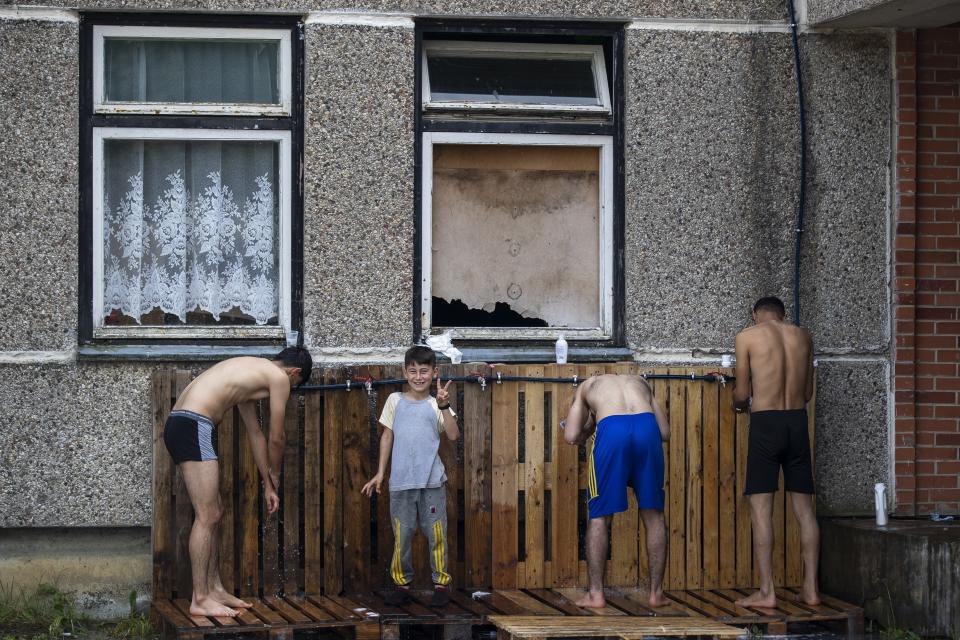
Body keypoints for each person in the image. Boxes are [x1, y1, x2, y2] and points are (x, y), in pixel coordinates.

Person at [162, 347, 313, 617]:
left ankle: (214, 588)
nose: (285, 390)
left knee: (213, 513)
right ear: (294, 373)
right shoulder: (278, 377)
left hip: (186, 423)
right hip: (193, 424)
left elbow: (256, 434)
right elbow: (277, 437)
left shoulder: (249, 375)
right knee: (207, 515)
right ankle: (200, 598)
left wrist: (267, 483)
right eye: (294, 386)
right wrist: (276, 474)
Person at [733, 296, 819, 608]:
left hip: (766, 424)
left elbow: (743, 394)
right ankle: (810, 589)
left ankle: (767, 592)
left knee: (761, 509)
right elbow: (807, 392)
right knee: (805, 512)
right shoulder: (803, 336)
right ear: (783, 315)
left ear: (754, 313)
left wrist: (737, 403)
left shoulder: (747, 336)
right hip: (797, 423)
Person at [361, 346, 460, 607]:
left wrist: (444, 405)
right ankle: (401, 584)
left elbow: (452, 435)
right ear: (405, 372)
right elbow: (387, 436)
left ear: (434, 372)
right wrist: (381, 473)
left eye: (424, 371)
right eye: (413, 371)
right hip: (401, 483)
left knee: (437, 533)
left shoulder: (437, 404)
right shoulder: (394, 400)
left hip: (432, 482)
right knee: (402, 535)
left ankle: (440, 584)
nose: (418, 377)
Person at [562, 374, 669, 609]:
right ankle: (656, 594)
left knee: (599, 516)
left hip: (612, 430)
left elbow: (570, 436)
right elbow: (664, 432)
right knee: (654, 515)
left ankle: (596, 594)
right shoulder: (641, 382)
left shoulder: (586, 386)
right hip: (647, 428)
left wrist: (591, 425)